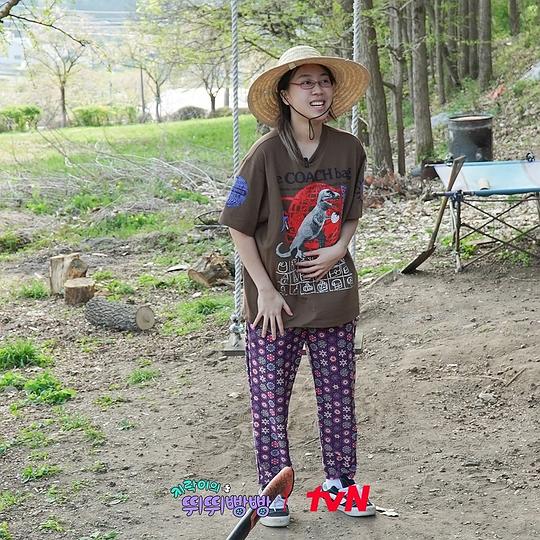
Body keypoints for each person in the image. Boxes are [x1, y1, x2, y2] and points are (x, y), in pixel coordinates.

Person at [219, 45, 375, 527]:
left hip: (332, 296)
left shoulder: (349, 149)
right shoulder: (264, 154)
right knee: (269, 400)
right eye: (305, 83)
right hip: (275, 303)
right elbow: (238, 226)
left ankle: (340, 486)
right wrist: (264, 290)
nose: (317, 90)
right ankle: (273, 493)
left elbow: (350, 212)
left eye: (324, 81)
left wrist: (338, 248)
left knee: (338, 397)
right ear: (285, 95)